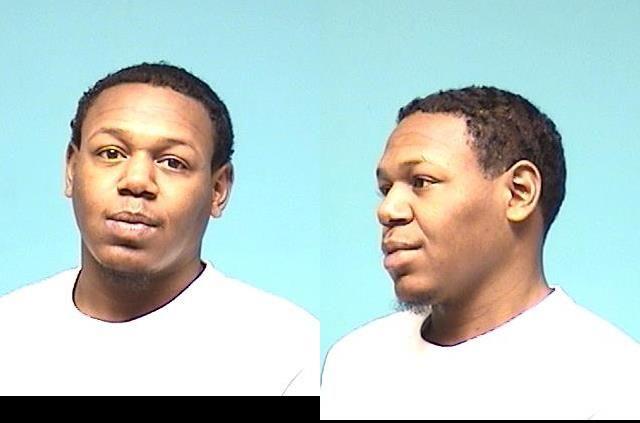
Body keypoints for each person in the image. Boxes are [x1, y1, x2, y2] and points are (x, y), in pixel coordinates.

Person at [0, 62, 318, 396]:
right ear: (72, 169)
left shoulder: (289, 352)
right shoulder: (9, 329)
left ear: (218, 189)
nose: (137, 181)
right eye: (111, 153)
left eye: (172, 162)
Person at [321, 86, 639, 418]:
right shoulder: (355, 362)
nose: (388, 209)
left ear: (519, 193)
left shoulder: (613, 383)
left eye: (421, 181)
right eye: (386, 189)